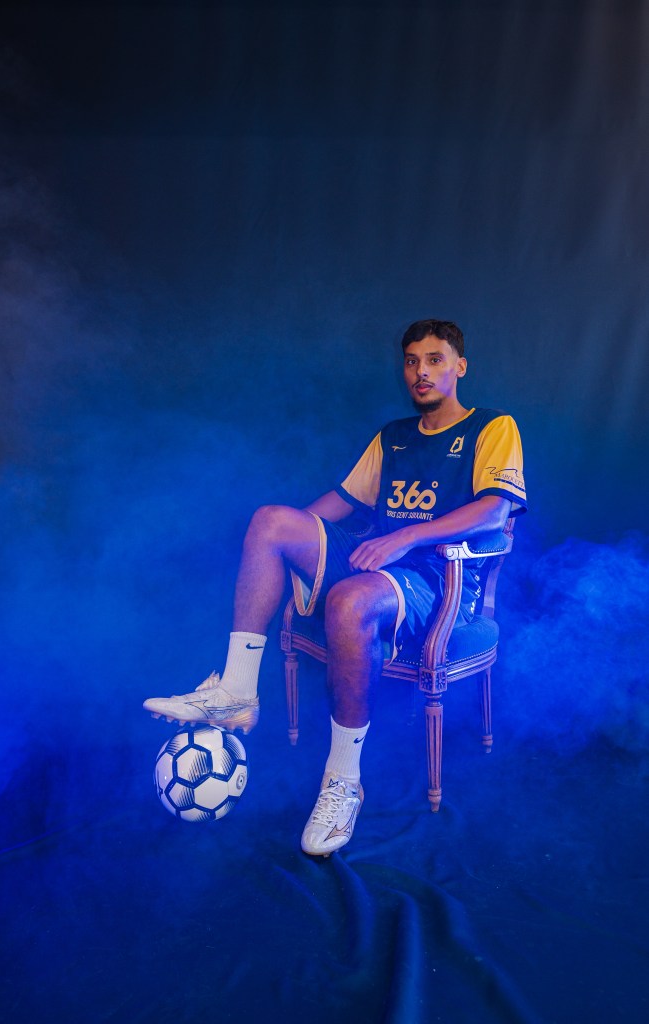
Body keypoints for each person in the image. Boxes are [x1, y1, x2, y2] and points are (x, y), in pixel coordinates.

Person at [143, 319, 527, 856]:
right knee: (270, 522)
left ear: (459, 367)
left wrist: (404, 538)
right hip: (375, 561)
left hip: (438, 579)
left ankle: (343, 781)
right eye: (412, 361)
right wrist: (279, 545)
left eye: (435, 360)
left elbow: (495, 512)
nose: (421, 371)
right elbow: (341, 502)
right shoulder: (393, 436)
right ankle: (236, 693)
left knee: (348, 600)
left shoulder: (492, 427)